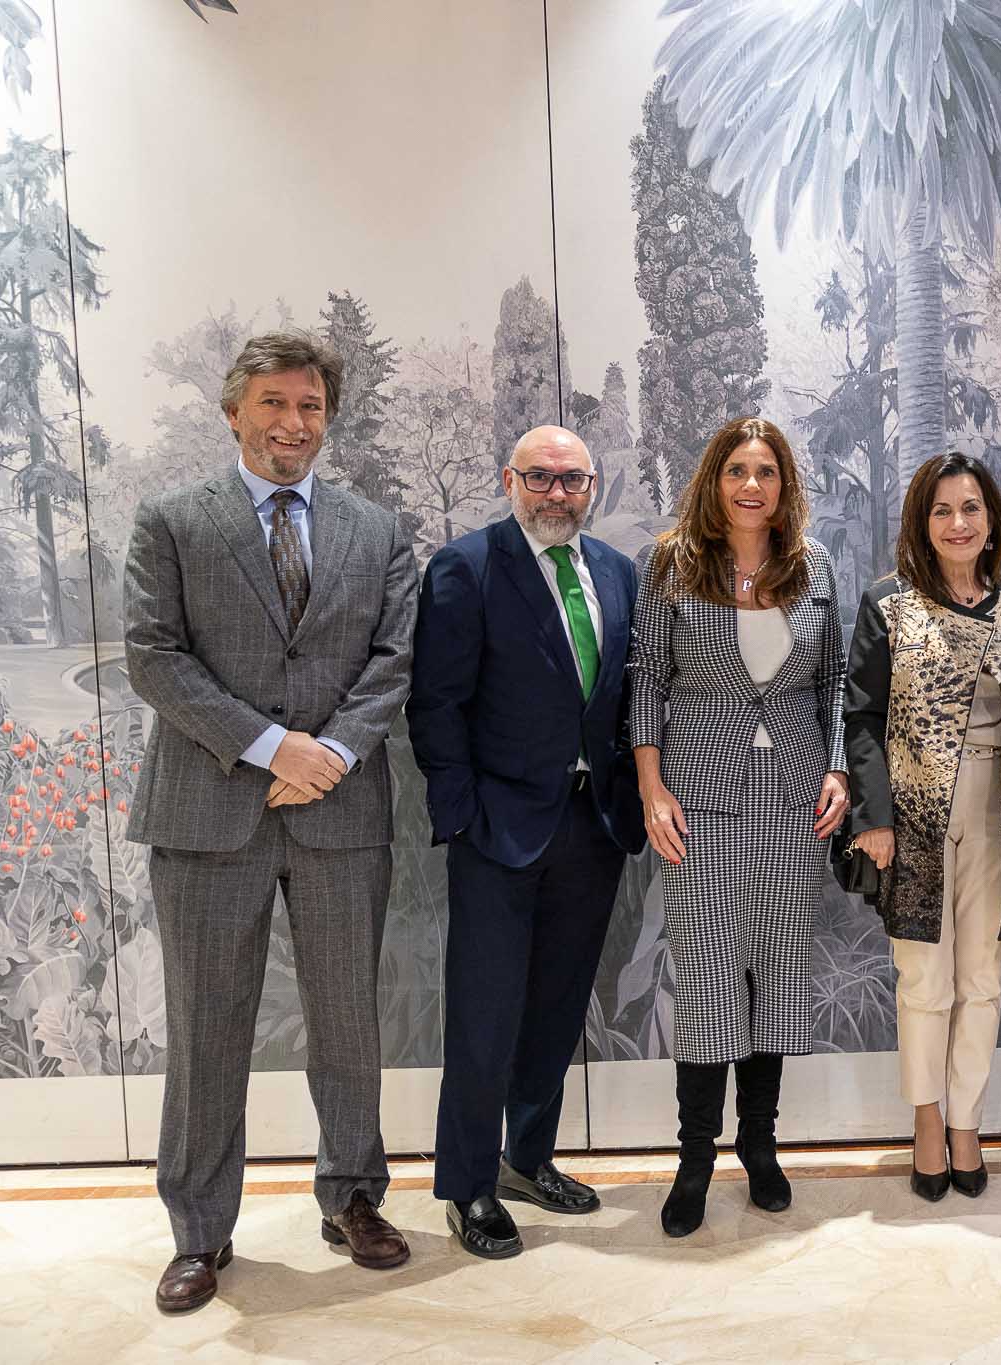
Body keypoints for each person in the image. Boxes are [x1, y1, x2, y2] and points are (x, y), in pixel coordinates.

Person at [122, 331, 417, 1313]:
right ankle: (200, 1234)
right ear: (234, 410)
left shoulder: (375, 529)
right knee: (209, 1031)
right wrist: (268, 747)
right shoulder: (170, 520)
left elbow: (392, 657)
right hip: (209, 812)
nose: (294, 424)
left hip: (338, 811)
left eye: (311, 408)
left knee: (346, 1025)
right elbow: (154, 656)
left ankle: (354, 1199)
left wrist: (328, 752)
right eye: (276, 404)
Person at [408, 426, 647, 1259]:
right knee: (484, 1013)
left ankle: (527, 1157)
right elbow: (435, 705)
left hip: (592, 827)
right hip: (497, 831)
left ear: (593, 485)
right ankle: (468, 1184)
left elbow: (622, 702)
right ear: (508, 478)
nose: (557, 493)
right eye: (539, 477)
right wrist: (463, 813)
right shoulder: (466, 568)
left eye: (572, 479)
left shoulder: (619, 574)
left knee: (555, 1006)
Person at [627, 416, 849, 1238]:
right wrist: (652, 785)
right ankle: (695, 1160)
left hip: (793, 792)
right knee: (712, 972)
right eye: (736, 471)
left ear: (784, 484)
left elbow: (832, 681)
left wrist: (834, 766)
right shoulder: (673, 562)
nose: (751, 485)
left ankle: (762, 1148)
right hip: (698, 792)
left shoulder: (814, 566)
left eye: (766, 471)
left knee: (776, 968)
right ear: (714, 480)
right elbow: (647, 675)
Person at [844, 452, 1001, 1202]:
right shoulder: (888, 605)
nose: (958, 523)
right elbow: (863, 718)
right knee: (923, 979)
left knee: (983, 980)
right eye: (941, 510)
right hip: (915, 816)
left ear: (991, 519)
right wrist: (873, 820)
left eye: (971, 508)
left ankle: (969, 1122)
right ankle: (928, 1123)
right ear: (921, 523)